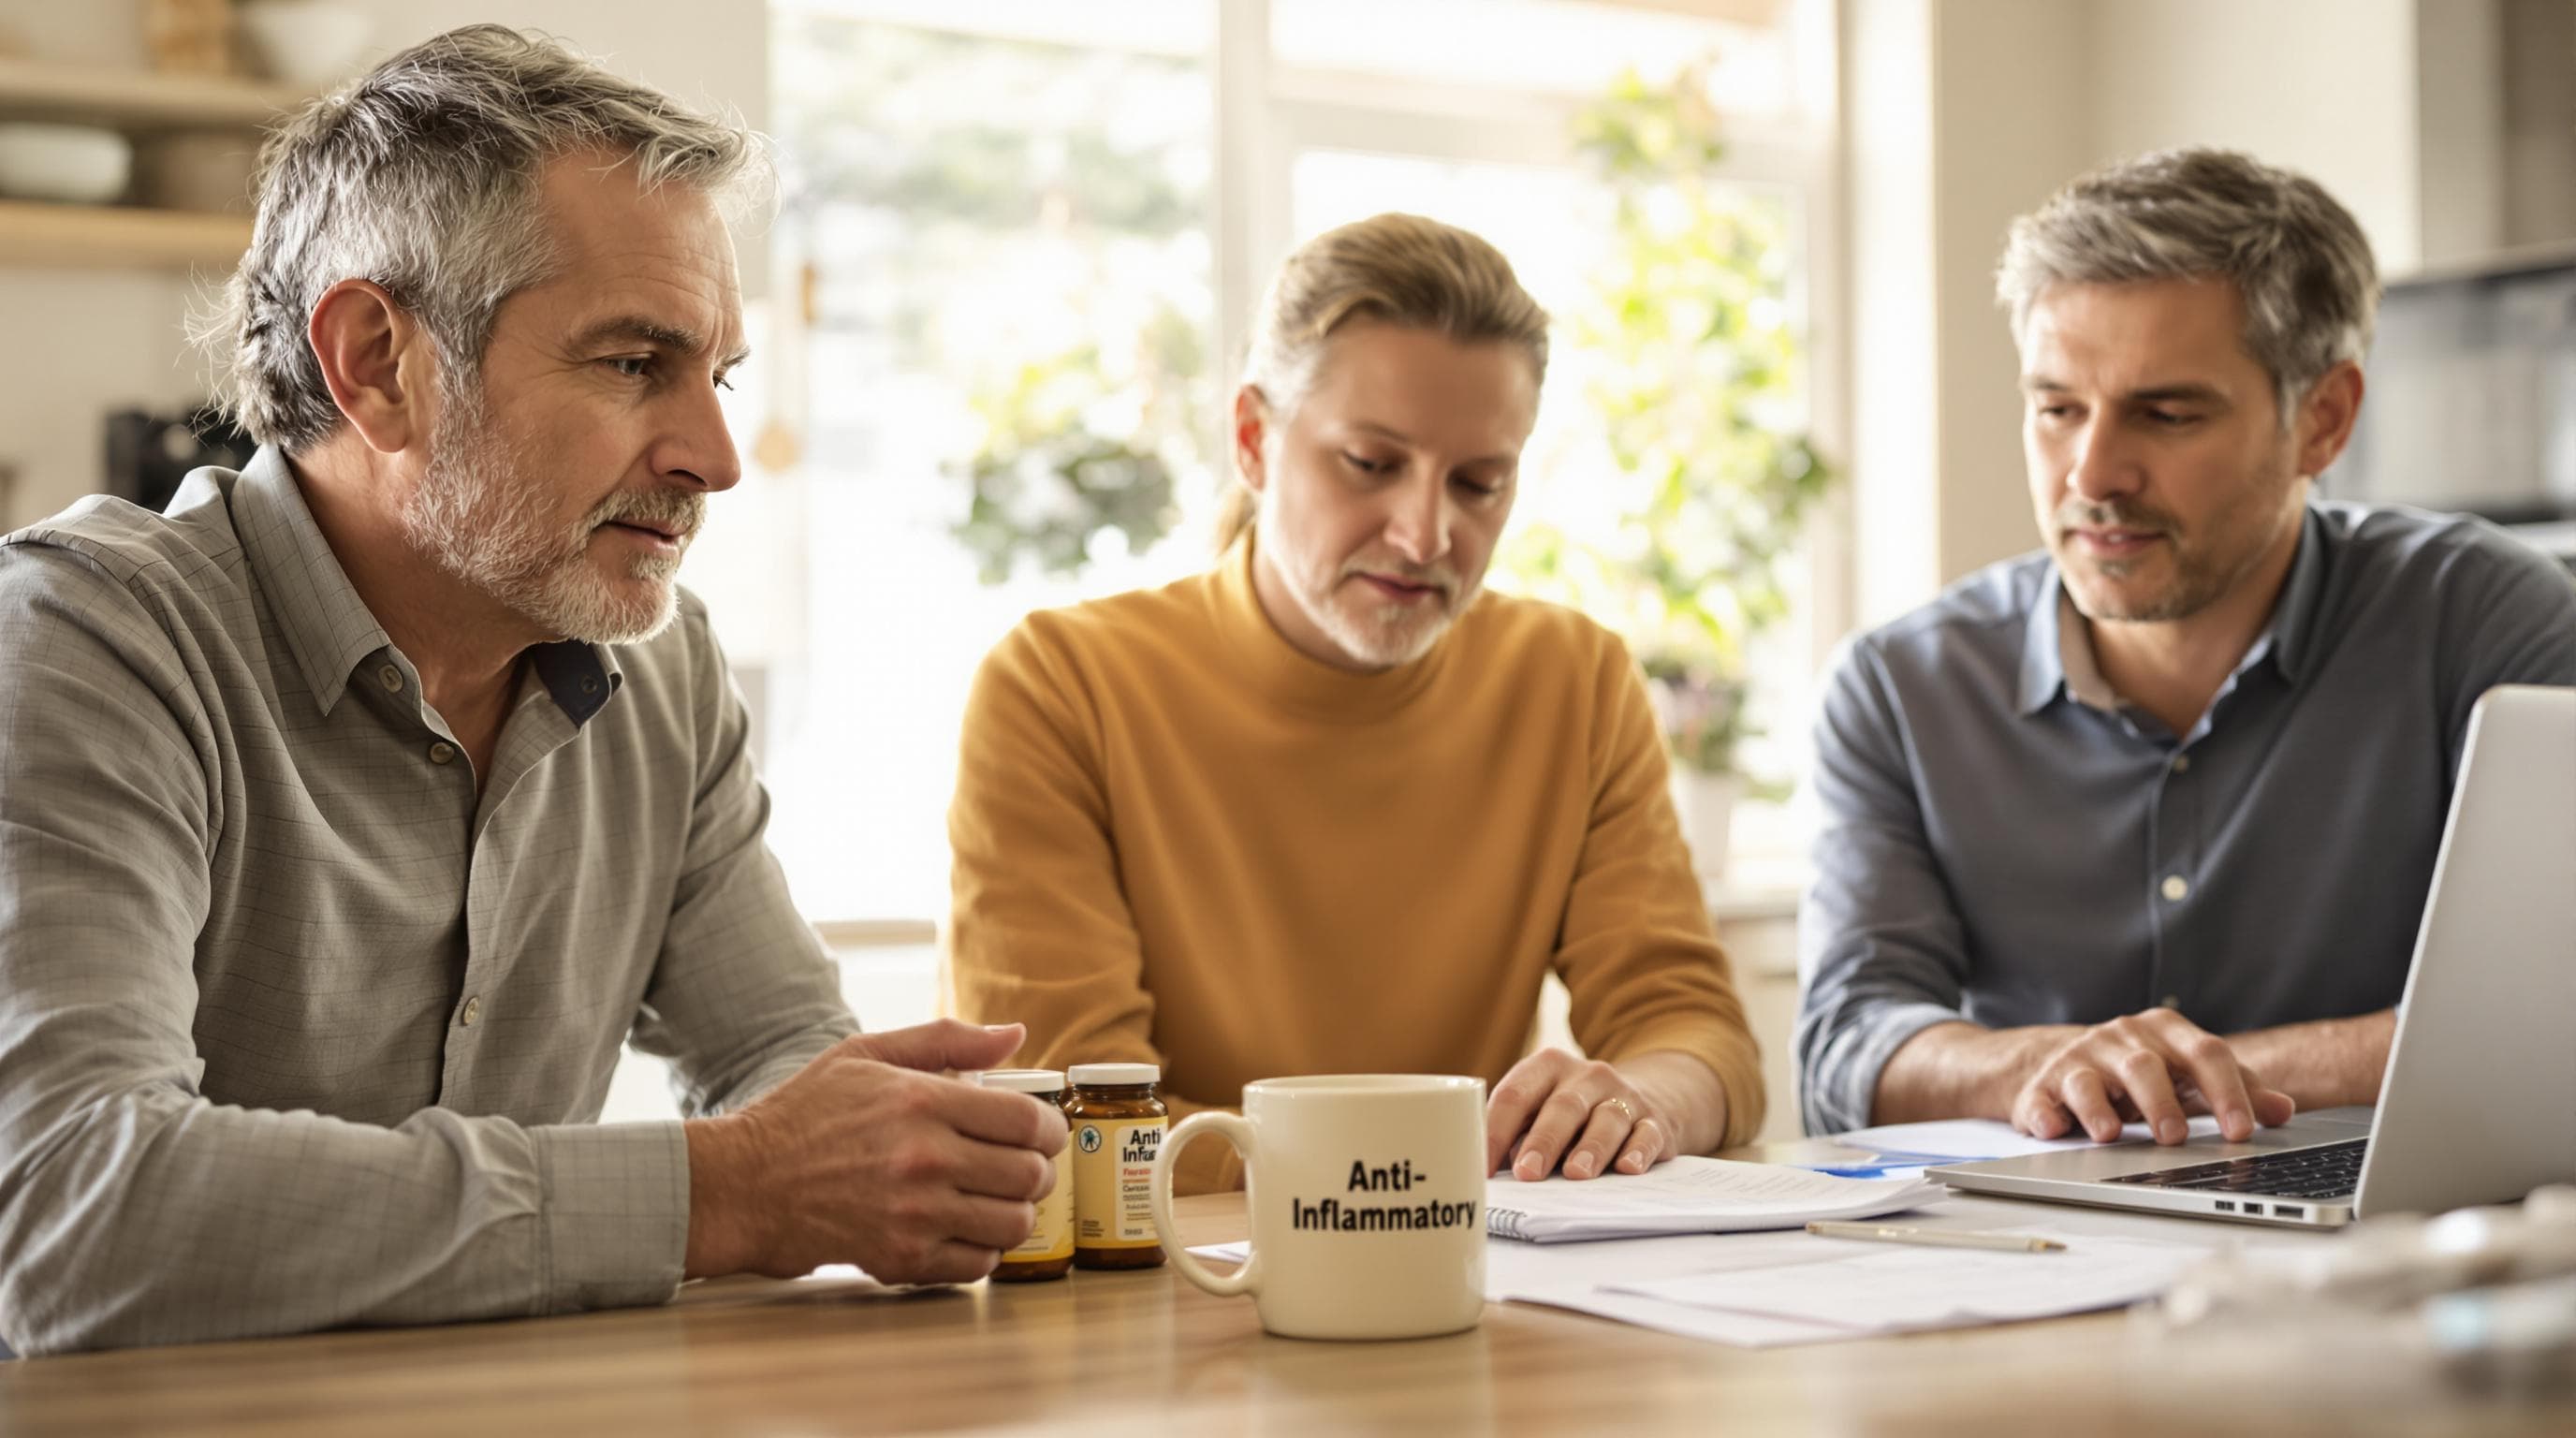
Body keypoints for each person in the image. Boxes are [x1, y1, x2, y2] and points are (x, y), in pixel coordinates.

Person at [0, 27, 1061, 1357]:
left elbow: (785, 1052)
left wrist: (895, 1150)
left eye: (718, 374)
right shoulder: (83, 644)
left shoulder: (664, 678)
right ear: (377, 363)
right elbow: (69, 1215)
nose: (718, 457)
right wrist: (725, 1192)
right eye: (633, 364)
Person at [946, 213, 1764, 1196]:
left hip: (1473, 1285)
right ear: (1253, 441)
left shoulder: (1574, 680)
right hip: (1168, 1297)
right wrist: (1424, 1176)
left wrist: (1646, 1101)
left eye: (1478, 482)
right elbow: (1084, 1127)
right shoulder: (1059, 686)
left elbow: (1692, 1032)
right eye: (1371, 465)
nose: (1426, 534)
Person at [1795, 148, 2576, 1143]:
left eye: (2164, 415)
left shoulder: (2482, 618)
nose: (2094, 471)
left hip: (2381, 1246)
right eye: (2056, 409)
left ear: (2322, 422)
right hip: (2026, 1255)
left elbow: (2553, 1004)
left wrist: (2174, 1076)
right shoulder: (1899, 688)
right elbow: (1847, 1043)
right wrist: (2043, 1066)